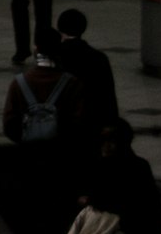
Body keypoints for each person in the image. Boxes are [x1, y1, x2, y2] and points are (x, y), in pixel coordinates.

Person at [47, 8, 120, 144]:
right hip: (92, 121)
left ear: (60, 29)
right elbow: (108, 93)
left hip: (61, 123)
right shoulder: (99, 58)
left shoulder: (54, 57)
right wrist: (111, 123)